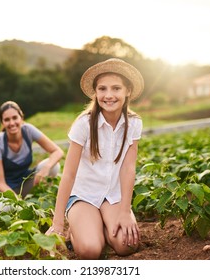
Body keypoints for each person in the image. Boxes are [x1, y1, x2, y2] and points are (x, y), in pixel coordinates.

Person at [46, 58, 144, 259]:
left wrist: (125, 211)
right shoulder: (84, 124)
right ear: (95, 93)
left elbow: (128, 169)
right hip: (84, 195)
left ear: (128, 91)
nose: (109, 95)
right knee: (90, 250)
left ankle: (102, 226)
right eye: (102, 89)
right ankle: (80, 230)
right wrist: (57, 223)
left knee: (127, 245)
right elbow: (69, 174)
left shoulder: (133, 123)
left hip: (113, 195)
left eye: (116, 88)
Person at [0, 101, 64, 201]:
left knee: (54, 166)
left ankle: (39, 197)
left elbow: (57, 151)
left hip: (24, 182)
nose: (12, 123)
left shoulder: (28, 130)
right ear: (2, 123)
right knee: (6, 208)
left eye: (15, 118)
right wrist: (17, 201)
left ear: (21, 118)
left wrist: (46, 168)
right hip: (4, 190)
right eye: (7, 120)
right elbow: (1, 183)